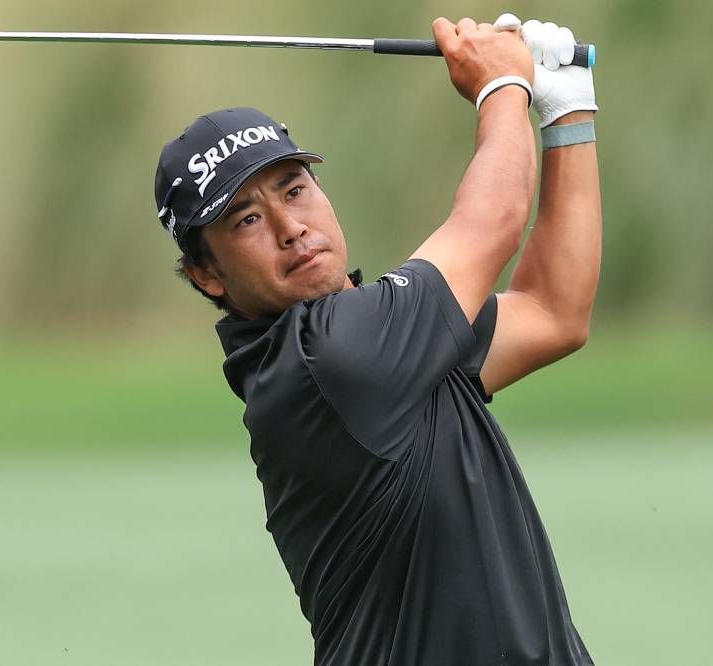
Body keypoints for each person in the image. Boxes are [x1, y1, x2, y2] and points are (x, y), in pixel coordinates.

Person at [152, 13, 600, 666]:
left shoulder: (383, 340)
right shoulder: (327, 358)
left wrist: (568, 114)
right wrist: (502, 84)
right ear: (206, 275)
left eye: (294, 190)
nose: (289, 227)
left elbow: (552, 311)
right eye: (246, 219)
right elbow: (494, 221)